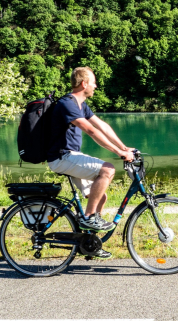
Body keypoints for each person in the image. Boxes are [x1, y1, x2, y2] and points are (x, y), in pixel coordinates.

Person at [47, 67, 134, 258]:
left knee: (100, 197)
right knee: (107, 170)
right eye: (93, 82)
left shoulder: (81, 104)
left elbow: (102, 125)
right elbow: (91, 130)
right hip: (62, 157)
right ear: (83, 84)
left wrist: (124, 148)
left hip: (69, 156)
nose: (96, 86)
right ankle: (89, 218)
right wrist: (118, 152)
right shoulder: (67, 104)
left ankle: (90, 243)